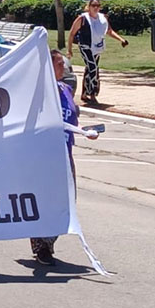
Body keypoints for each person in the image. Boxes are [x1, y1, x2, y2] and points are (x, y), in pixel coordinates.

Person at [31, 49, 101, 265]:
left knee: (67, 200)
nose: (64, 67)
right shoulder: (38, 92)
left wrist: (84, 131)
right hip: (44, 156)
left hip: (65, 153)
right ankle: (42, 246)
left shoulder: (65, 89)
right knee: (46, 199)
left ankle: (47, 242)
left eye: (63, 63)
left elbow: (71, 119)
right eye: (59, 63)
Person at [68, 0, 128, 103]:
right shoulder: (82, 18)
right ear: (89, 6)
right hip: (85, 46)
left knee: (90, 69)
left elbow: (109, 31)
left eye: (97, 5)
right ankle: (92, 93)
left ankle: (84, 93)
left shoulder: (102, 18)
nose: (95, 8)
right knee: (93, 68)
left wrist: (121, 40)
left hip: (97, 47)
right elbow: (72, 33)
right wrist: (69, 50)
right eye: (93, 5)